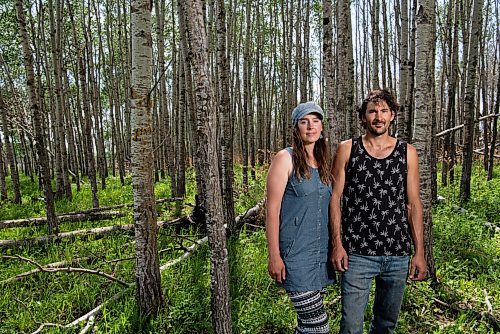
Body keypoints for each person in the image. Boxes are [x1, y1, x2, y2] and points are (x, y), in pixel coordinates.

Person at [330, 89, 427, 334]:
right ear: (363, 117)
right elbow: (335, 199)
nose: (378, 117)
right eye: (372, 111)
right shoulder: (347, 149)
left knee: (386, 326)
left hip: (397, 253)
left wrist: (419, 253)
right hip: (357, 254)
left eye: (384, 111)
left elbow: (413, 204)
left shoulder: (407, 152)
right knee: (351, 326)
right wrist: (337, 244)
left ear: (392, 115)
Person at [266, 101, 336, 333]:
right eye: (304, 121)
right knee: (319, 327)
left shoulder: (323, 162)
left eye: (315, 121)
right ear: (296, 128)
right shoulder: (285, 158)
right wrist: (274, 255)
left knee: (306, 326)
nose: (310, 126)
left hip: (320, 255)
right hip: (295, 256)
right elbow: (272, 211)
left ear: (322, 126)